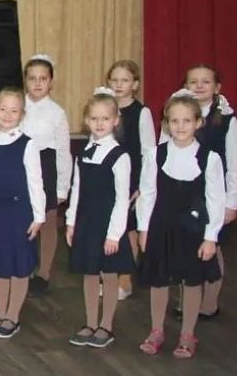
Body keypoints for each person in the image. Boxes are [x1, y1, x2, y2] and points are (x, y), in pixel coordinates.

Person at [137, 89, 225, 359]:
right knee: (159, 279)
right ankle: (156, 330)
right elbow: (147, 193)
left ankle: (187, 333)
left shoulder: (209, 158)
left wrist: (211, 237)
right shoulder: (156, 155)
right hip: (161, 226)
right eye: (174, 121)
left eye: (187, 121)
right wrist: (143, 229)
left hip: (193, 230)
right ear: (166, 124)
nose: (180, 126)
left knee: (191, 280)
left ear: (198, 122)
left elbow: (215, 200)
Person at [0, 87, 46, 339]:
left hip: (18, 211)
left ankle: (12, 315)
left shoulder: (27, 145)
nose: (7, 115)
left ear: (22, 114)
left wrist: (39, 216)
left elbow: (35, 182)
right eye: (2, 109)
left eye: (14, 111)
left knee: (18, 263)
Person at [65, 88, 135, 348]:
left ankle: (106, 324)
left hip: (108, 224)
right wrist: (71, 221)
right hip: (86, 221)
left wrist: (114, 234)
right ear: (87, 120)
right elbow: (77, 188)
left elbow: (122, 199)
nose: (99, 123)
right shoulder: (84, 152)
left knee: (109, 273)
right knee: (89, 273)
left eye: (105, 118)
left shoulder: (119, 156)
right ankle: (90, 322)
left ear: (115, 120)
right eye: (94, 118)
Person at [180, 64, 236, 320]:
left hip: (213, 194)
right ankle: (188, 300)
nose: (199, 86)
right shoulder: (180, 115)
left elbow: (233, 163)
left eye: (205, 81)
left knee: (212, 246)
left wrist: (231, 202)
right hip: (184, 192)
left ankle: (209, 302)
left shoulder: (227, 120)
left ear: (217, 87)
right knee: (185, 246)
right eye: (193, 81)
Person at [21, 54, 72, 296]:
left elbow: (63, 151)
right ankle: (24, 266)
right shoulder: (16, 105)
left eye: (43, 78)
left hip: (46, 166)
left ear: (51, 82)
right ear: (25, 80)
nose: (37, 83)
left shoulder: (56, 113)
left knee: (48, 221)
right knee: (22, 219)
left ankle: (44, 272)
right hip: (20, 165)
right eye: (32, 78)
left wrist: (62, 186)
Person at [106, 59, 154, 300]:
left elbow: (148, 153)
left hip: (131, 182)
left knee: (128, 231)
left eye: (124, 80)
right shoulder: (106, 109)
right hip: (108, 178)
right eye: (114, 80)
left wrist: (141, 186)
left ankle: (125, 281)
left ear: (135, 84)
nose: (118, 84)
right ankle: (109, 277)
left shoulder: (141, 113)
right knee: (109, 228)